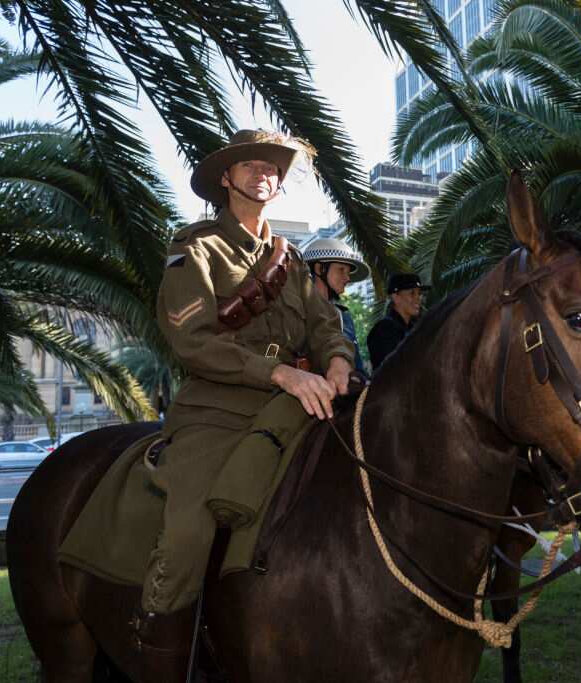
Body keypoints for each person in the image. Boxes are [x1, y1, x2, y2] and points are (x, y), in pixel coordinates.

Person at [133, 129, 354, 667]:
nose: (264, 174)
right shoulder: (195, 248)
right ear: (225, 179)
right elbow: (194, 342)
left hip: (298, 405)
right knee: (188, 535)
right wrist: (278, 373)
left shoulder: (294, 262)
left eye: (273, 168)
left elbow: (327, 327)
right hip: (218, 411)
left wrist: (340, 360)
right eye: (251, 165)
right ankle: (159, 656)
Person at [302, 238, 370, 377]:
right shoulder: (299, 312)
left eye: (348, 272)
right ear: (320, 269)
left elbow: (357, 368)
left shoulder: (344, 315)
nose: (348, 278)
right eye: (341, 269)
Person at [366, 272, 430, 371]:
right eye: (412, 293)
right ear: (396, 297)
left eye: (419, 293)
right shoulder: (383, 330)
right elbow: (390, 370)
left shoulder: (415, 328)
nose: (418, 298)